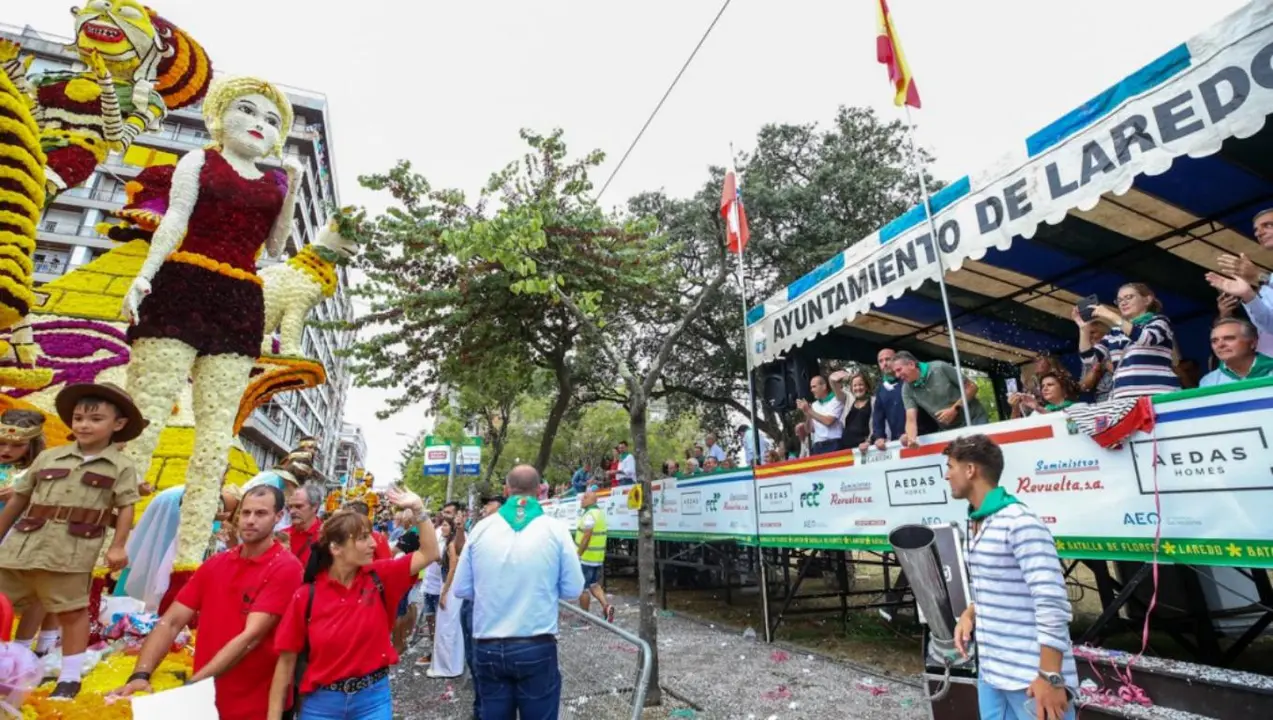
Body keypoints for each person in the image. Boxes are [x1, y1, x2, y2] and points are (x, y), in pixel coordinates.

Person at [0, 382, 145, 698]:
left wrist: (118, 546)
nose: (84, 424)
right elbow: (18, 501)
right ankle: (8, 667)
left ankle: (69, 677)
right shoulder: (50, 457)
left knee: (72, 612)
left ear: (117, 425)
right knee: (2, 604)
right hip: (21, 548)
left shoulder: (121, 466)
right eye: (79, 417)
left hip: (70, 552)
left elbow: (125, 508)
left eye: (95, 419)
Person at [112, 486, 303, 719]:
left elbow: (250, 638)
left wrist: (192, 685)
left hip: (256, 704)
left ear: (278, 516)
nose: (250, 521)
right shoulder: (216, 564)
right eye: (245, 513)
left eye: (260, 514)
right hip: (207, 699)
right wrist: (140, 675)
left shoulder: (286, 568)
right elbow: (171, 621)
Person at [267, 488, 440, 720]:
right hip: (321, 704)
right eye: (362, 538)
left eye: (370, 535)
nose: (372, 543)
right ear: (335, 548)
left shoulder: (380, 576)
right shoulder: (306, 596)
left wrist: (419, 510)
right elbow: (286, 663)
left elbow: (429, 553)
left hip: (373, 700)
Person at [945, 435, 1076, 720]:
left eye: (950, 466)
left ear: (970, 470)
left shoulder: (1020, 522)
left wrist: (1050, 676)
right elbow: (997, 588)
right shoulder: (976, 522)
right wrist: (970, 614)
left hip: (1031, 681)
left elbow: (1051, 601)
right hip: (992, 674)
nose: (947, 475)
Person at [454, 465, 584, 719]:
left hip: (487, 645)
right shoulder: (555, 530)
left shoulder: (481, 529)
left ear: (506, 490)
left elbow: (462, 588)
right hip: (535, 645)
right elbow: (573, 590)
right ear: (540, 491)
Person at [1076, 282, 1180, 398]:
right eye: (1119, 300)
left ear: (1147, 300)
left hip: (1158, 394)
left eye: (1129, 297)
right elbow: (1090, 359)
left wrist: (1112, 316)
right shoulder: (1115, 332)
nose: (1123, 303)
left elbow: (1145, 338)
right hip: (1123, 399)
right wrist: (1084, 330)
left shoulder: (1159, 321)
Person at [892, 352, 988, 444]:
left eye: (899, 370)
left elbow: (972, 387)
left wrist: (955, 409)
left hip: (974, 419)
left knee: (980, 456)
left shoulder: (940, 367)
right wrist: (911, 439)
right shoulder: (906, 389)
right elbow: (911, 419)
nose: (897, 375)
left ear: (911, 364)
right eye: (895, 372)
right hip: (949, 430)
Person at [428, 516, 466, 679]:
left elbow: (452, 568)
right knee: (446, 628)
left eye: (445, 525)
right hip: (448, 587)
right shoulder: (447, 544)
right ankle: (448, 664)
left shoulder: (451, 544)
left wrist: (444, 592)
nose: (441, 528)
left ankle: (449, 666)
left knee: (448, 629)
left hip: (449, 589)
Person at [575, 487, 615, 623]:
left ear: (592, 500)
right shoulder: (600, 513)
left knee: (582, 588)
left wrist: (578, 554)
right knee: (594, 585)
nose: (582, 500)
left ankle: (584, 619)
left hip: (586, 558)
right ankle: (606, 607)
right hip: (597, 558)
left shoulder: (590, 515)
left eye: (585, 497)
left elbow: (586, 536)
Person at [1200, 318, 1272, 386]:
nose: (1220, 345)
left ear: (1253, 343)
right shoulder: (1209, 381)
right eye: (1214, 341)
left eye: (1229, 338)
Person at [864, 348, 906, 451]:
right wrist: (879, 437)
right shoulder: (881, 389)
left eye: (888, 359)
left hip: (921, 437)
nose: (885, 363)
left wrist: (910, 431)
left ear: (897, 360)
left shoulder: (908, 379)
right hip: (898, 442)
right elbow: (878, 416)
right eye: (881, 361)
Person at [797, 374, 844, 455]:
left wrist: (809, 411)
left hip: (833, 444)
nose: (811, 390)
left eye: (814, 387)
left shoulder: (836, 400)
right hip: (817, 446)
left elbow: (828, 421)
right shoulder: (814, 405)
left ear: (824, 386)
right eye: (811, 387)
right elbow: (809, 430)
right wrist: (807, 414)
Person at [285, 483, 324, 567]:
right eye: (290, 507)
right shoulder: (282, 535)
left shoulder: (326, 536)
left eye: (298, 506)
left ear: (315, 507)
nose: (292, 512)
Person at [1012, 372, 1077, 416]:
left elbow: (1065, 421)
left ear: (1063, 388)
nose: (1044, 388)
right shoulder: (1037, 412)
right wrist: (1015, 408)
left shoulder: (1078, 408)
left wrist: (1038, 408)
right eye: (1042, 386)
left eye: (1050, 384)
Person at [840, 372, 873, 450]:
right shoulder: (848, 401)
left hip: (864, 447)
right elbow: (833, 383)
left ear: (866, 387)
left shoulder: (873, 402)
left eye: (861, 384)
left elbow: (876, 425)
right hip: (846, 447)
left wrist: (869, 441)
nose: (858, 388)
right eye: (855, 385)